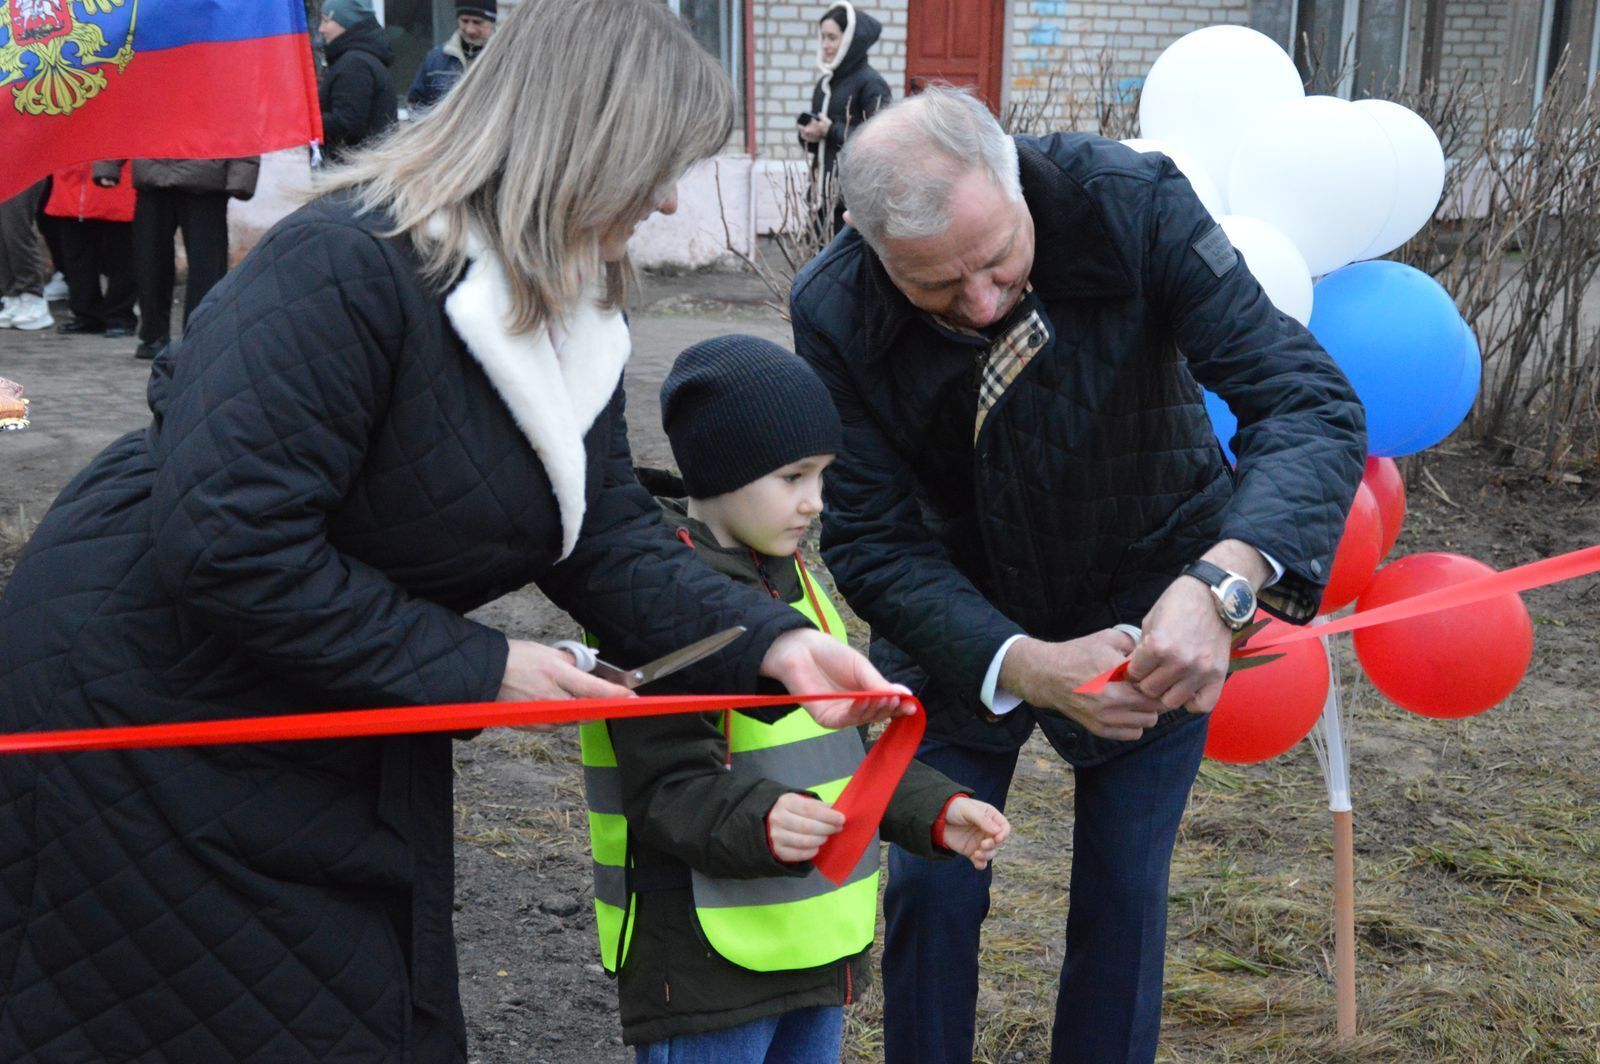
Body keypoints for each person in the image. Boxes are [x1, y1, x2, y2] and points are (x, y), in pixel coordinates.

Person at [0, 3, 908, 1060]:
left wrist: (770, 640)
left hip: (323, 699)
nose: (664, 199)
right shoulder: (343, 266)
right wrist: (478, 667)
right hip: (147, 702)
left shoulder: (573, 297)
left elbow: (601, 529)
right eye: (656, 165)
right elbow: (228, 543)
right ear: (583, 140)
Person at [789, 88, 1367, 1063]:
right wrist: (1018, 660)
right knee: (929, 885)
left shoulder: (1130, 202)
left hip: (1155, 593)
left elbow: (1308, 404)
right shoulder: (833, 306)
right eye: (934, 286)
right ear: (868, 241)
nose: (977, 303)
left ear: (1015, 180)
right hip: (956, 618)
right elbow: (872, 541)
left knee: (1124, 888)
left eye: (996, 262)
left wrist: (1219, 580)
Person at [582, 334, 1012, 1062]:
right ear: (722, 469)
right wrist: (765, 820)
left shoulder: (802, 587)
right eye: (793, 476)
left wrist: (935, 809)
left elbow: (848, 757)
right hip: (705, 968)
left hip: (817, 956)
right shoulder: (657, 604)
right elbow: (664, 792)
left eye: (822, 476)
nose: (815, 501)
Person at [101, 155, 260, 359]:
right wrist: (107, 164)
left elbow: (239, 131)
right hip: (155, 177)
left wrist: (240, 178)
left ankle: (200, 334)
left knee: (206, 265)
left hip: (205, 180)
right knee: (149, 262)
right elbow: (125, 125)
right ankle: (153, 335)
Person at [800, 3, 891, 237]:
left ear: (851, 40)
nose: (825, 45)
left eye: (832, 37)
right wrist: (809, 136)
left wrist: (831, 130)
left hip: (852, 203)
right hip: (822, 197)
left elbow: (881, 144)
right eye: (822, 37)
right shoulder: (825, 85)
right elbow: (820, 145)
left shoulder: (872, 84)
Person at [43, 162, 138, 337]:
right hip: (72, 182)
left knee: (122, 258)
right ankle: (87, 314)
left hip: (115, 182)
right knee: (77, 257)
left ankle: (119, 315)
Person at [318, 0, 399, 161]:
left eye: (326, 21)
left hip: (355, 173)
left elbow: (347, 125)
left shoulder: (354, 65)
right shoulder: (360, 59)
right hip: (367, 168)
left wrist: (308, 121)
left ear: (346, 23)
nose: (321, 29)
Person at [408, 1, 497, 112]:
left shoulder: (505, 60)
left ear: (492, 22)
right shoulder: (435, 59)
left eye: (477, 22)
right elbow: (415, 105)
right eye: (464, 21)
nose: (470, 29)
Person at [0, 182, 53, 332]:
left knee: (16, 230)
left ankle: (33, 295)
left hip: (23, 168)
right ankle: (13, 295)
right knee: (3, 235)